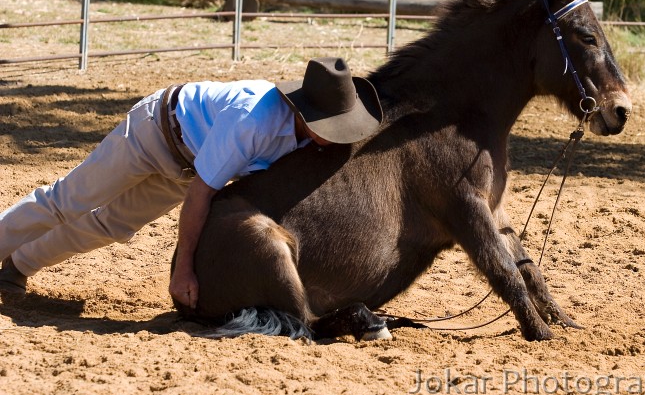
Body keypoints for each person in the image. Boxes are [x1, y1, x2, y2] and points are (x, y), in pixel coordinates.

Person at [0, 57, 383, 309]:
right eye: (333, 127)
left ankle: (17, 266)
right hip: (152, 132)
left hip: (187, 161)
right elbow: (202, 192)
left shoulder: (304, 139)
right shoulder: (253, 121)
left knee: (110, 225)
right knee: (67, 201)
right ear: (306, 113)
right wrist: (184, 269)